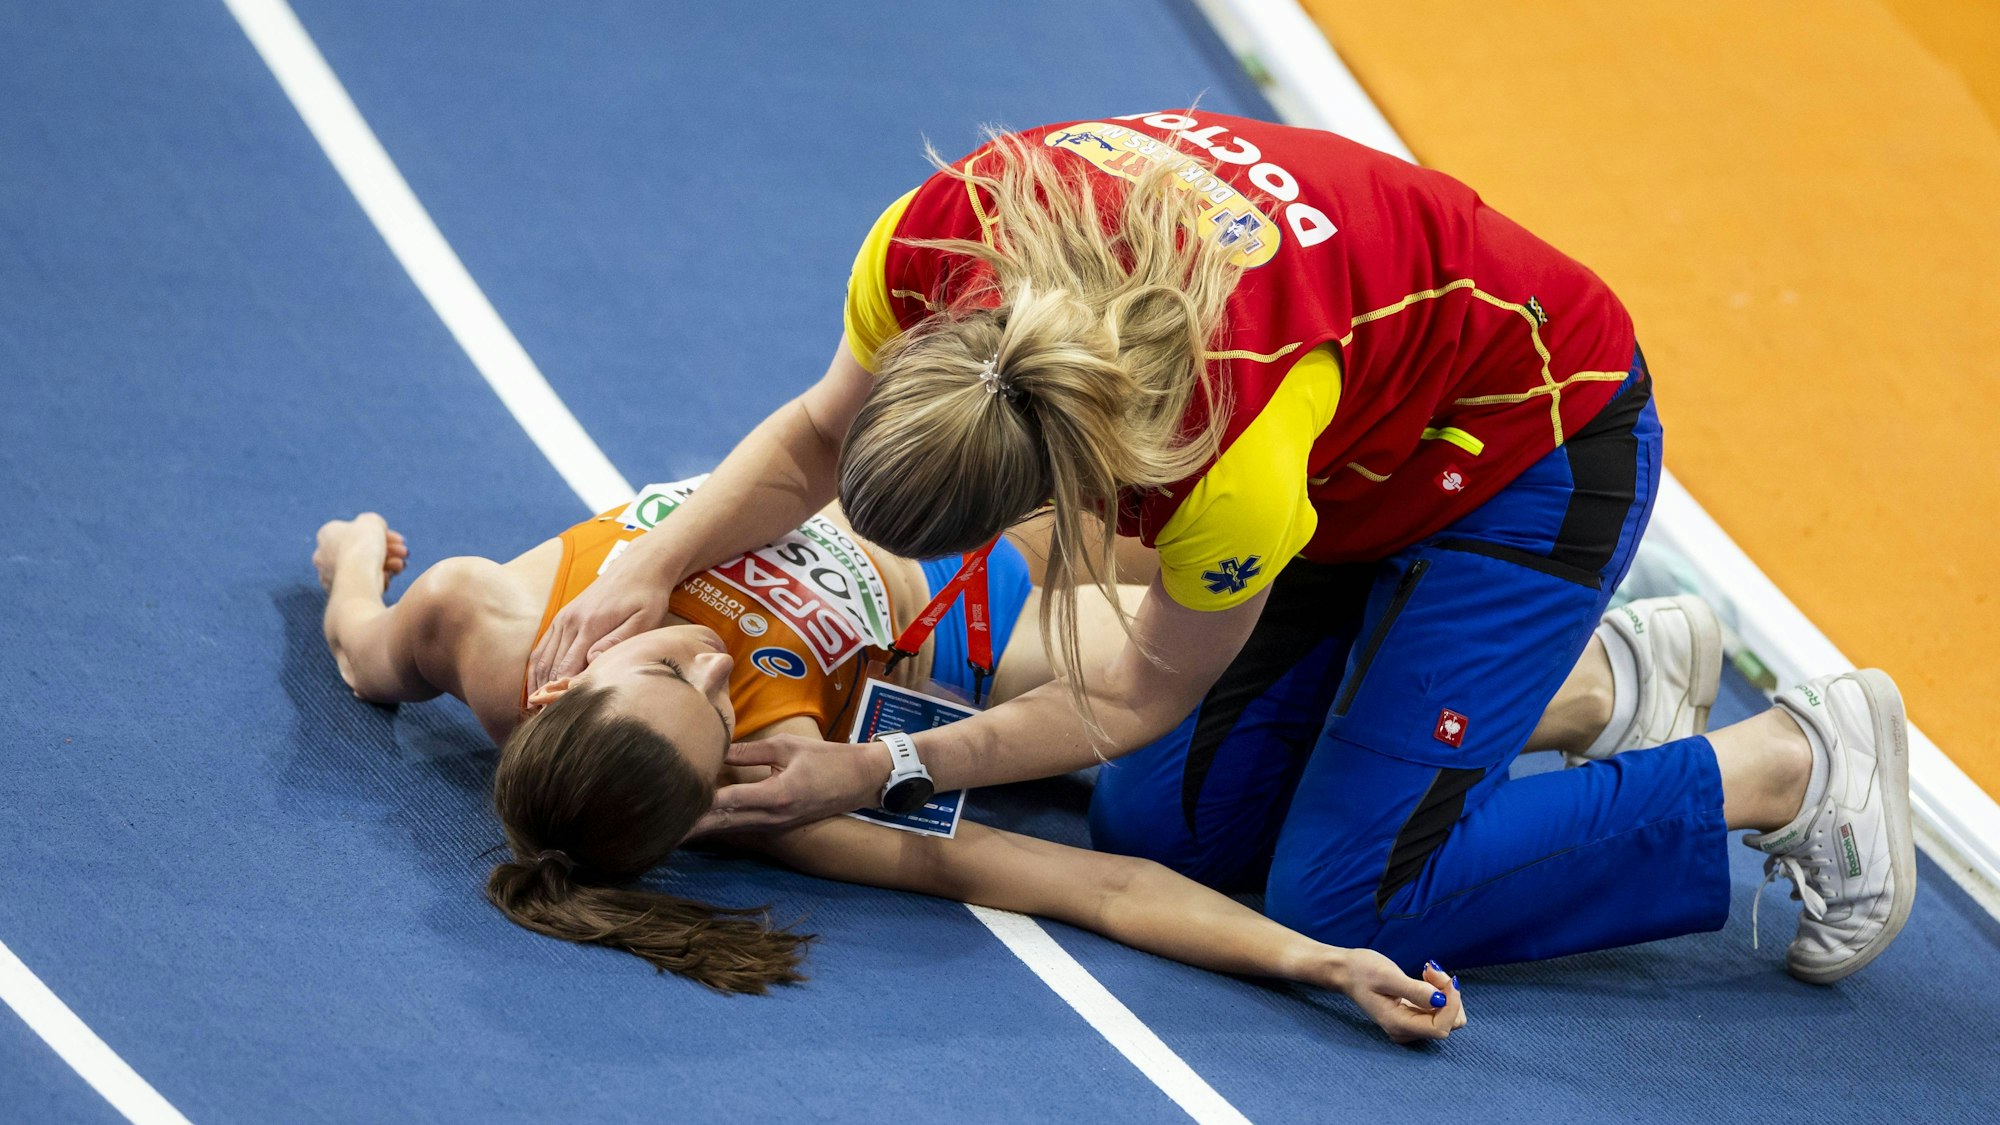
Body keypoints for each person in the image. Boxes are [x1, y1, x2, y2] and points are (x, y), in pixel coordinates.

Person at [530, 110, 1914, 983]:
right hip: (1363, 434)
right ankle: (1599, 681)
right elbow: (808, 443)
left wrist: (886, 760)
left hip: (1528, 450)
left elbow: (1132, 691)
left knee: (1354, 890)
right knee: (1164, 823)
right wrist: (646, 569)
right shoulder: (925, 245)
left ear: (1063, 484)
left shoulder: (1222, 463)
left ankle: (1785, 765)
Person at [310, 497, 1472, 1040]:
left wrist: (350, 555)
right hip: (969, 619)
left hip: (947, 499)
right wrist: (1317, 961)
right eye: (726, 715)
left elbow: (362, 652)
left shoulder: (479, 612)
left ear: (559, 689)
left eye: (672, 675)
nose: (716, 669)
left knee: (1308, 513)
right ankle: (1621, 676)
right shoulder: (781, 794)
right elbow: (1089, 887)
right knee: (1287, 652)